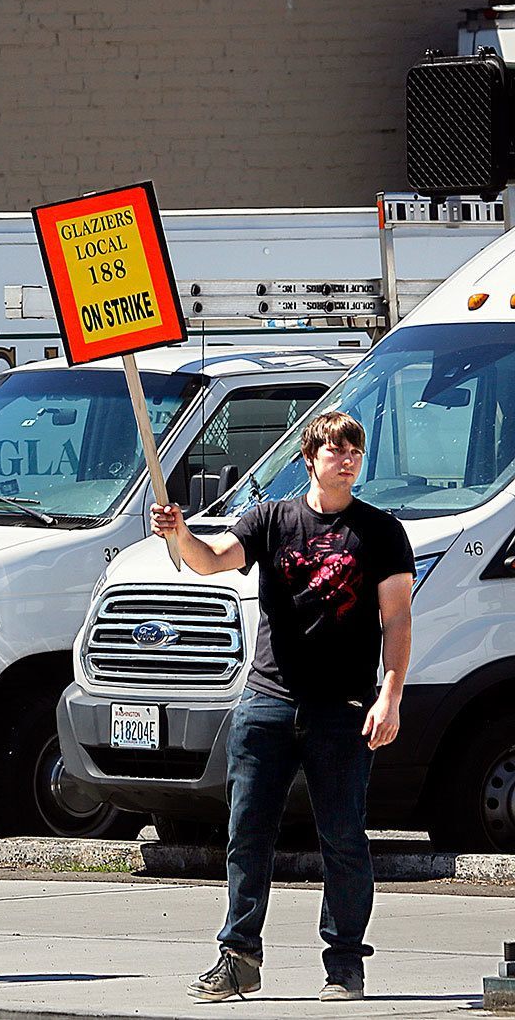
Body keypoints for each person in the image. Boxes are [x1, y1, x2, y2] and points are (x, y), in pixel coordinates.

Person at [151, 410, 412, 1003]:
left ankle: (345, 965)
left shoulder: (381, 532)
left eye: (354, 451)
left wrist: (389, 695)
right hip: (267, 701)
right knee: (247, 832)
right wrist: (178, 534)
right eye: (335, 450)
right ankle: (239, 958)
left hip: (341, 708)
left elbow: (396, 617)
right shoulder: (272, 519)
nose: (346, 460)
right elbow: (211, 559)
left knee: (342, 837)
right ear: (309, 459)